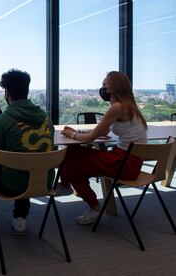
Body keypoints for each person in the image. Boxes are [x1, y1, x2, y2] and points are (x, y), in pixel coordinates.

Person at [0, 69, 54, 240]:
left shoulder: (3, 121)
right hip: (44, 181)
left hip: (12, 185)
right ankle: (20, 219)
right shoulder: (46, 119)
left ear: (7, 93)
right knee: (28, 164)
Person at [60, 71, 147, 225]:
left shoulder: (118, 107)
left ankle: (93, 207)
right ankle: (67, 184)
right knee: (72, 152)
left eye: (105, 87)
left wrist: (71, 133)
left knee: (71, 163)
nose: (102, 90)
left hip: (124, 164)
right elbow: (103, 131)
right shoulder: (130, 106)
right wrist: (86, 133)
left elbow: (89, 139)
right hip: (130, 161)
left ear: (115, 88)